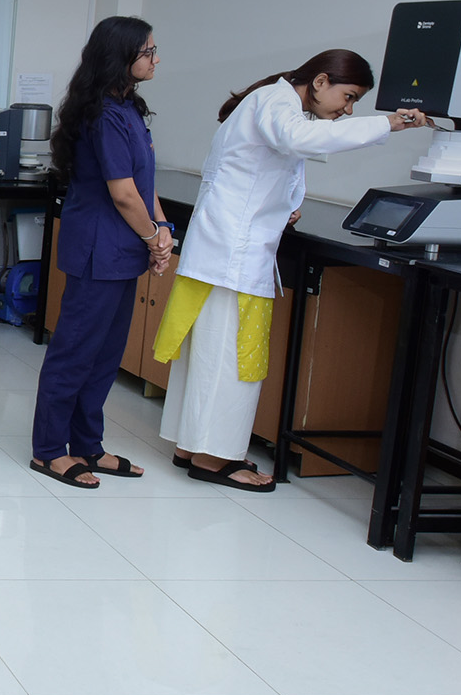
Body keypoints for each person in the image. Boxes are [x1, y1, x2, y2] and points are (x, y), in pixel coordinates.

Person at [153, 51, 431, 490]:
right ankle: (213, 458)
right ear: (320, 81)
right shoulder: (276, 102)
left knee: (208, 354)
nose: (348, 109)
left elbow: (261, 166)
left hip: (224, 249)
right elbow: (301, 140)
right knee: (231, 359)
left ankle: (193, 446)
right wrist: (389, 124)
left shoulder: (274, 101)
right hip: (234, 257)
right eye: (349, 96)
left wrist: (283, 205)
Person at [28, 17, 169, 489]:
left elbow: (144, 183)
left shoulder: (129, 108)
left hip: (123, 248)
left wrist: (162, 230)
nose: (156, 59)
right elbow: (123, 194)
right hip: (99, 249)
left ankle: (88, 445)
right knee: (74, 353)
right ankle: (49, 450)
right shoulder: (103, 115)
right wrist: (151, 237)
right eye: (148, 51)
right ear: (120, 56)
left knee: (106, 355)